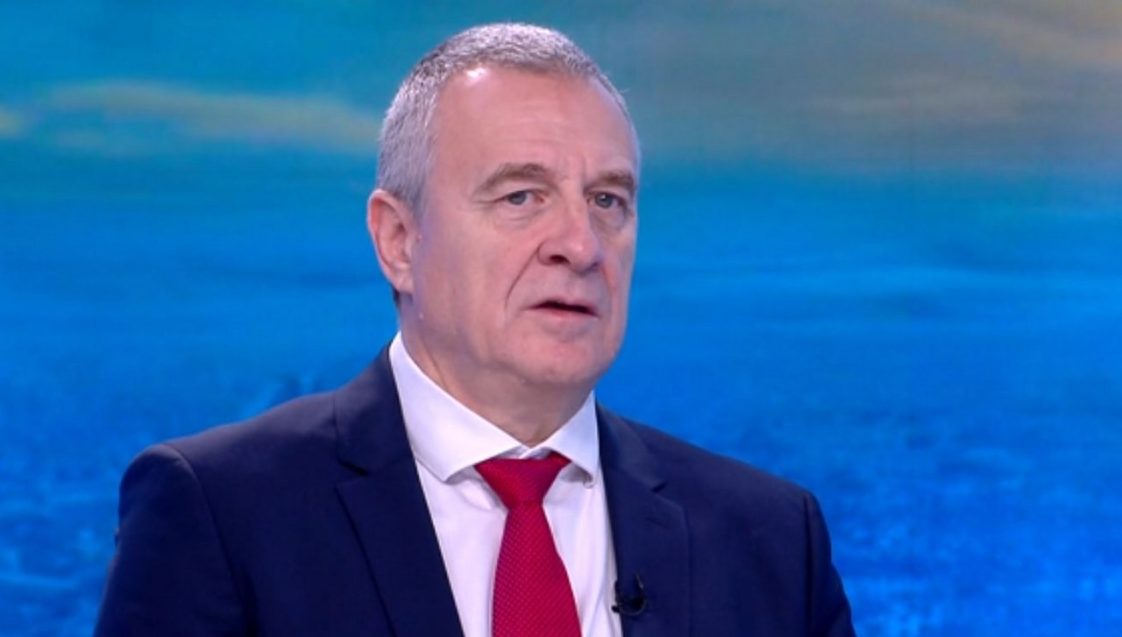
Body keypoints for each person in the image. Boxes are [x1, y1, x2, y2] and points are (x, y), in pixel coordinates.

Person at [94, 23, 855, 637]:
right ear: (399, 240)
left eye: (608, 201)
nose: (581, 246)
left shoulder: (771, 539)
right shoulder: (222, 512)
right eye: (522, 196)